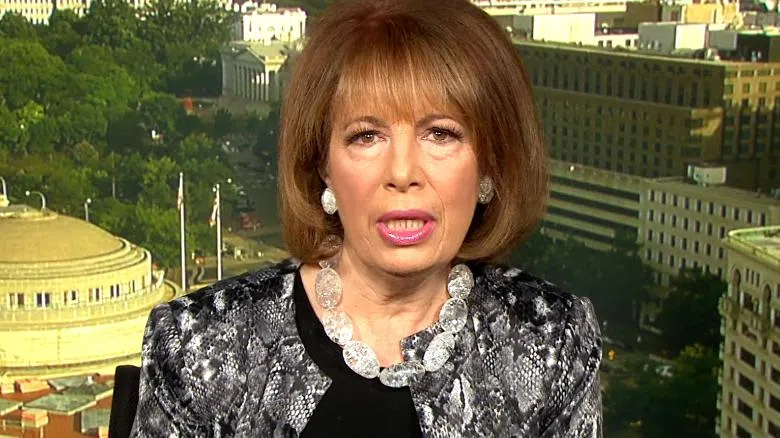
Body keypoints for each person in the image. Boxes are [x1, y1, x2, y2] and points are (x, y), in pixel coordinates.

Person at [129, 0, 603, 436]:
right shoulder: (199, 346)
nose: (402, 173)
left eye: (440, 134)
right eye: (366, 136)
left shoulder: (552, 340)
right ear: (323, 165)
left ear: (489, 166)